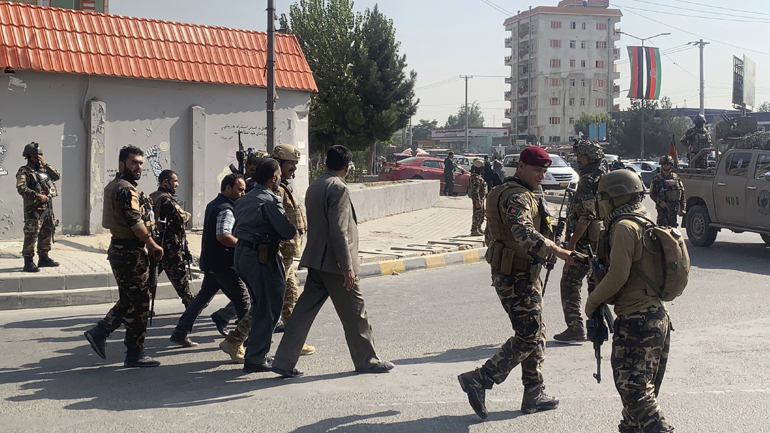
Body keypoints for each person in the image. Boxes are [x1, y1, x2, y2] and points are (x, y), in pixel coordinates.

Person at [457, 146, 576, 419]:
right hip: (516, 275)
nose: (541, 175)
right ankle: (480, 378)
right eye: (536, 170)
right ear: (521, 166)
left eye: (543, 171)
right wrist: (558, 251)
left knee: (536, 331)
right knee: (529, 334)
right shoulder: (517, 196)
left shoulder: (514, 191)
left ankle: (534, 391)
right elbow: (523, 231)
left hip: (520, 271)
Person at [270, 145, 394, 378]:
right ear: (347, 167)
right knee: (356, 314)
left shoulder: (316, 185)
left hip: (317, 260)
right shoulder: (338, 188)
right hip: (335, 264)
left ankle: (283, 361)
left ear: (325, 163)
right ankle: (367, 361)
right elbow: (339, 230)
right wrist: (347, 267)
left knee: (302, 314)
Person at [585, 169, 674, 433]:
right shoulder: (644, 221)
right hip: (656, 317)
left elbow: (618, 276)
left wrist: (591, 303)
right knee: (639, 398)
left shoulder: (624, 227)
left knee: (635, 394)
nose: (599, 203)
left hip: (637, 321)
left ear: (615, 197)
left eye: (602, 197)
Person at [217, 145, 315, 364]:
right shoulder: (272, 193)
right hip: (273, 254)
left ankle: (293, 341)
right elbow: (280, 226)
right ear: (277, 167)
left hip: (274, 253)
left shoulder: (275, 188)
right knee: (267, 304)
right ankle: (240, 342)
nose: (294, 169)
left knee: (288, 299)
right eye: (290, 164)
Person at [83, 145, 164, 367]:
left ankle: (100, 332)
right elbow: (135, 222)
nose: (138, 167)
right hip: (129, 252)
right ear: (122, 164)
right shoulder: (125, 190)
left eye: (140, 163)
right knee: (139, 303)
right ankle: (134, 353)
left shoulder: (118, 186)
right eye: (133, 163)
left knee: (131, 299)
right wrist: (153, 244)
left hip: (125, 249)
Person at [225, 158, 297, 373]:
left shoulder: (245, 198)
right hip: (262, 256)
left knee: (259, 304)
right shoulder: (270, 200)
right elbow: (287, 231)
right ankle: (256, 357)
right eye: (279, 176)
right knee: (270, 307)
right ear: (273, 178)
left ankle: (255, 352)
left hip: (242, 254)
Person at [168, 173, 251, 348]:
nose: (243, 194)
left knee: (201, 299)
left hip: (213, 263)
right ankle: (250, 342)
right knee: (244, 302)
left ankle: (180, 332)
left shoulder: (214, 204)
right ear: (227, 188)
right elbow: (223, 236)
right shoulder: (226, 209)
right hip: (224, 265)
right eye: (240, 190)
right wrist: (244, 245)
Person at [553, 140, 607, 342]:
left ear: (591, 158)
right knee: (595, 283)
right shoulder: (604, 177)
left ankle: (575, 327)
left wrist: (572, 242)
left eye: (582, 156)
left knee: (569, 282)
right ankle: (597, 324)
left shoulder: (587, 181)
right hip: (600, 240)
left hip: (584, 242)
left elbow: (588, 214)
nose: (578, 159)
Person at [150, 170, 194, 307]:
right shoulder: (166, 200)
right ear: (165, 182)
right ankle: (190, 304)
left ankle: (141, 305)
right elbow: (180, 218)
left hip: (154, 242)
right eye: (175, 181)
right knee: (179, 276)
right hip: (169, 245)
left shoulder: (152, 197)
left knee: (150, 277)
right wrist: (187, 215)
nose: (177, 184)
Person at [15, 142, 61, 273]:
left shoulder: (43, 170)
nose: (38, 158)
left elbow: (57, 176)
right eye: (35, 156)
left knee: (47, 232)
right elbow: (21, 188)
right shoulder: (24, 171)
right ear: (28, 157)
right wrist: (37, 196)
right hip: (33, 209)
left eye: (40, 156)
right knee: (32, 234)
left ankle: (44, 257)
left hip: (47, 207)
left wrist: (46, 165)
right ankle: (28, 261)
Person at [649, 155, 686, 228]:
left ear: (671, 165)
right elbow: (652, 194)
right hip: (662, 210)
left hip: (674, 209)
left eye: (668, 163)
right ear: (661, 165)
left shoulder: (676, 178)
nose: (666, 165)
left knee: (673, 230)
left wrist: (683, 208)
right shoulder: (657, 179)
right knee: (662, 230)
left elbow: (682, 193)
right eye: (664, 163)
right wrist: (660, 202)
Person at [469, 160, 486, 236]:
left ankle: (478, 227)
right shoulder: (475, 178)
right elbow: (475, 190)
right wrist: (477, 200)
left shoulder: (478, 177)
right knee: (477, 214)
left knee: (481, 214)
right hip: (478, 199)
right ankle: (474, 229)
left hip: (481, 198)